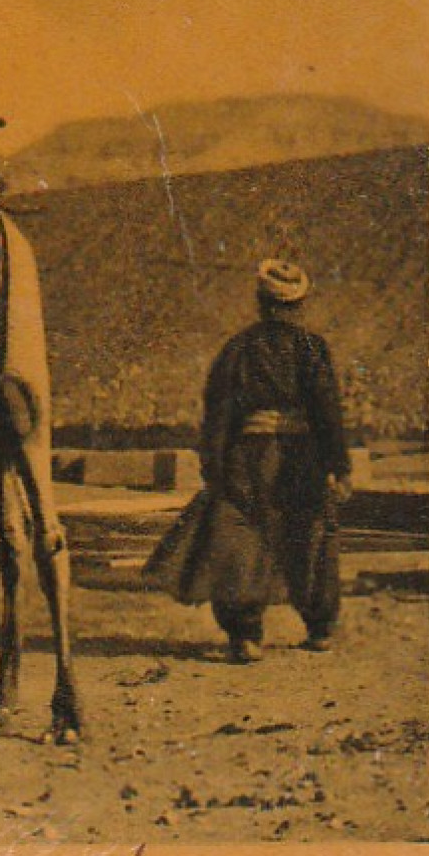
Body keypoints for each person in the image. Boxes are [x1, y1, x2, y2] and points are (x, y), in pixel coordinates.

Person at [145, 259, 353, 664]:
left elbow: (219, 413)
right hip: (301, 457)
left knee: (242, 538)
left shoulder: (238, 349)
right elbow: (327, 412)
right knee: (308, 535)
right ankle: (320, 628)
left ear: (260, 302)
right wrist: (338, 465)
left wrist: (214, 465)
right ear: (300, 303)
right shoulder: (312, 348)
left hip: (248, 458)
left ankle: (244, 636)